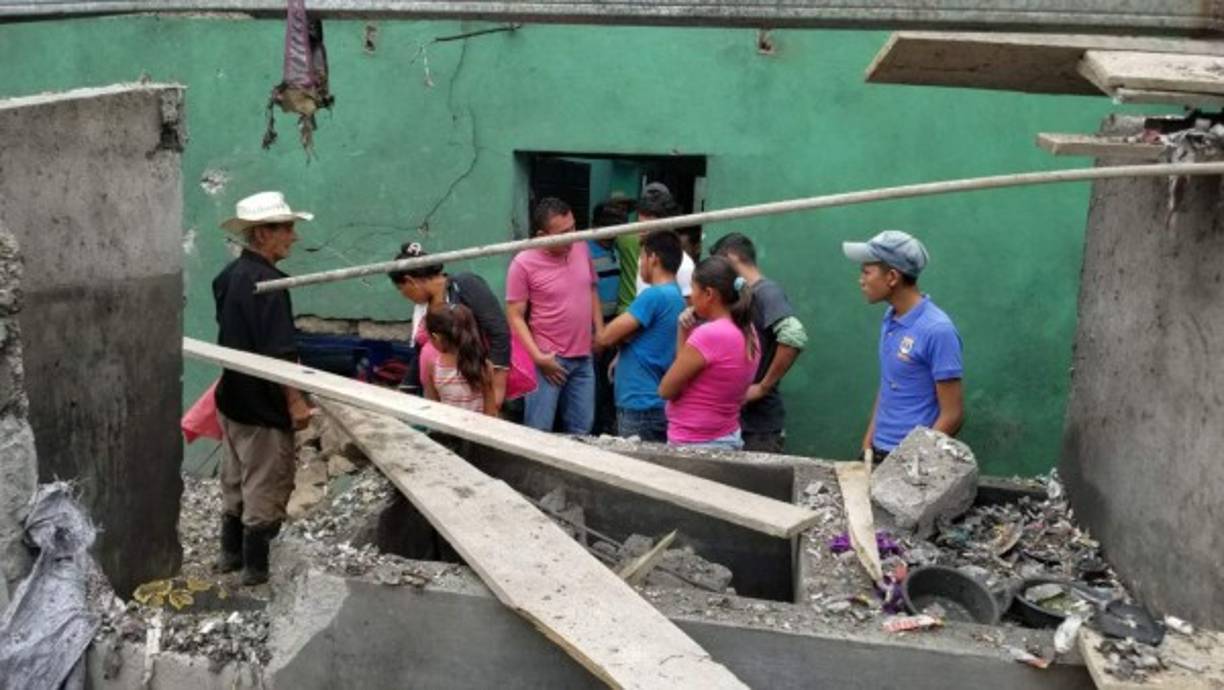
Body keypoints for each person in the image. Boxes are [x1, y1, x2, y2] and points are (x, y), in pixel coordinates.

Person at [212, 191, 314, 585]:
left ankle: (229, 556)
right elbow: (278, 351)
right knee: (266, 484)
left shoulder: (228, 277)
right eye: (286, 228)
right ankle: (256, 570)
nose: (293, 236)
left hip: (232, 397)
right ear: (261, 235)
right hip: (262, 403)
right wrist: (296, 402)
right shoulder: (268, 285)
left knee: (235, 479)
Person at [843, 230, 964, 461]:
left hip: (910, 462)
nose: (861, 280)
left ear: (891, 277)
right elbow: (890, 383)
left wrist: (910, 462)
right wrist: (867, 444)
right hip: (878, 451)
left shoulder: (938, 330)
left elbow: (953, 415)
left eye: (866, 272)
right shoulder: (891, 318)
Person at [506, 197, 604, 433]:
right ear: (542, 235)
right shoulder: (523, 263)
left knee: (582, 432)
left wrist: (600, 332)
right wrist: (538, 357)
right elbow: (514, 314)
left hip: (583, 357)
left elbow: (590, 288)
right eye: (563, 233)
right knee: (539, 432)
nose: (571, 236)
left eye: (573, 227)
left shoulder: (580, 247)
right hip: (549, 360)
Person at [710, 233, 808, 453]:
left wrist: (763, 386)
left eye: (721, 265)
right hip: (739, 421)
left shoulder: (767, 292)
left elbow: (794, 335)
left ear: (732, 257)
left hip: (759, 427)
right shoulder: (743, 297)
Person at [389, 242, 511, 408]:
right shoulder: (423, 307)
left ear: (410, 281)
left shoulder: (465, 285)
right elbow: (420, 352)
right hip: (442, 391)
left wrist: (496, 388)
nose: (403, 295)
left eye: (400, 289)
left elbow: (499, 332)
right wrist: (405, 390)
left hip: (474, 388)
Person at [658, 256, 760, 450]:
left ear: (709, 294)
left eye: (693, 288)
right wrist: (684, 329)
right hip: (727, 436)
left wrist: (687, 334)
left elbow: (667, 389)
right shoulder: (748, 330)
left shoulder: (710, 335)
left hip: (695, 442)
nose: (690, 296)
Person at [595, 230, 686, 442]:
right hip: (656, 403)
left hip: (640, 405)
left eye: (641, 257)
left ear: (653, 258)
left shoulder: (653, 296)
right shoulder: (676, 297)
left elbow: (605, 337)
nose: (640, 264)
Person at [588, 202, 626, 435]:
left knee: (610, 382)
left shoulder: (616, 249)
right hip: (593, 329)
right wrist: (595, 333)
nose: (612, 234)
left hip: (614, 326)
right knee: (595, 386)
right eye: (608, 229)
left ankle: (606, 427)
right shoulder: (584, 251)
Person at [422, 304, 498, 416]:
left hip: (446, 430)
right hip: (476, 431)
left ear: (436, 338)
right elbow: (491, 412)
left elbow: (433, 408)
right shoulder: (483, 366)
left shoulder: (433, 366)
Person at [633, 183, 695, 301]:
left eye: (650, 219)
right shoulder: (645, 256)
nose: (641, 229)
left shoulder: (684, 265)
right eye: (640, 219)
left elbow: (687, 312)